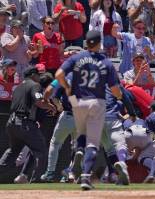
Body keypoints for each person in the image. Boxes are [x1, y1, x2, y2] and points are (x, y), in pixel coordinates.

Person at [55, 30, 122, 190]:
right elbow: (114, 90)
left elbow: (58, 74)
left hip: (78, 102)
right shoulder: (105, 61)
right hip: (96, 102)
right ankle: (85, 176)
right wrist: (119, 97)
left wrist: (67, 87)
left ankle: (79, 150)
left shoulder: (76, 58)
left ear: (86, 42)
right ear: (99, 43)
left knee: (82, 134)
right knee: (93, 143)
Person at [0, 66, 56, 183]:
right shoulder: (34, 85)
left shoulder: (18, 87)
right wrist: (51, 106)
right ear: (32, 75)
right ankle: (36, 181)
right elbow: (39, 102)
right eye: (37, 75)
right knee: (41, 151)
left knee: (13, 152)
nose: (39, 77)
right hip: (25, 123)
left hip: (12, 123)